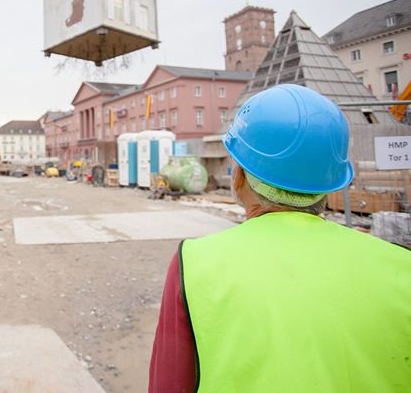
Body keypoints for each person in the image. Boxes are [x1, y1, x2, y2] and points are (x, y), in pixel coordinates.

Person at [148, 84, 411, 392]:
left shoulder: (193, 264)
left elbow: (169, 384)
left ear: (239, 176)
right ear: (331, 181)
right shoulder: (401, 266)